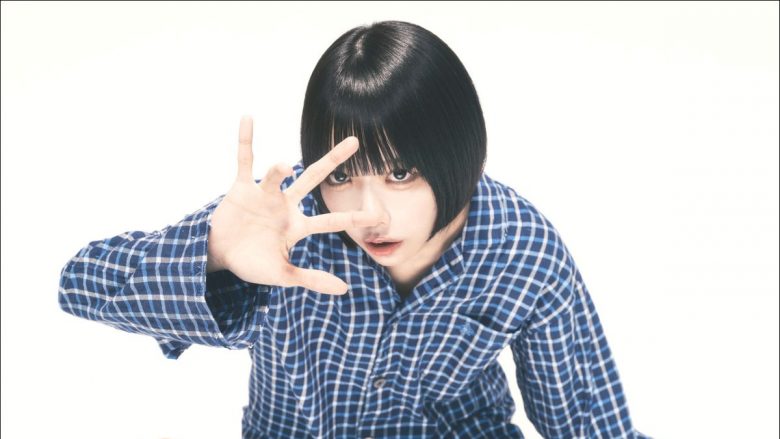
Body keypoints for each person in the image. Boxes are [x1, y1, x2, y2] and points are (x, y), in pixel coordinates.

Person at [58, 20, 650, 439]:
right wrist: (212, 252)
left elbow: (587, 420)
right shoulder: (285, 221)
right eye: (344, 175)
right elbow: (78, 285)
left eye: (401, 174)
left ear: (464, 155)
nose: (371, 213)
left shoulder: (523, 249)